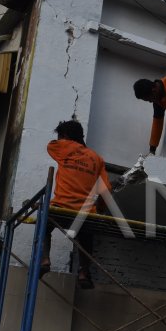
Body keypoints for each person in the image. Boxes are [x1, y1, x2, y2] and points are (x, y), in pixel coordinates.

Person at [42, 119, 110, 289]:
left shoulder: (62, 148)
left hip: (61, 208)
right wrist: (101, 209)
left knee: (44, 226)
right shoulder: (97, 159)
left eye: (60, 136)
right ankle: (83, 272)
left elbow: (51, 146)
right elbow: (105, 190)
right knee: (86, 238)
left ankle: (44, 258)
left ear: (64, 136)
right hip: (85, 214)